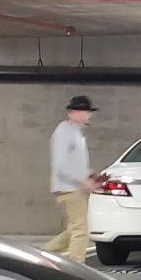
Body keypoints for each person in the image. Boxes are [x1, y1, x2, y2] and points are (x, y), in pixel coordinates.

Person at [45, 94, 98, 263]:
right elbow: (61, 165)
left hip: (74, 188)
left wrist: (89, 175)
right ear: (73, 113)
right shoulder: (65, 131)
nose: (89, 115)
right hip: (69, 188)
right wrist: (83, 180)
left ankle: (41, 255)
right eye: (86, 112)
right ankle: (77, 267)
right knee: (80, 230)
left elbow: (74, 163)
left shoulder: (75, 132)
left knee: (72, 230)